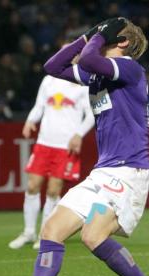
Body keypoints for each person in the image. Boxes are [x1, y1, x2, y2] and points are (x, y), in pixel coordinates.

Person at [0, 17, 149, 276]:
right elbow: (53, 66)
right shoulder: (98, 76)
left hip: (128, 172)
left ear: (122, 42)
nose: (95, 42)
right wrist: (87, 35)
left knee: (92, 235)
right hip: (103, 173)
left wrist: (98, 37)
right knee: (52, 229)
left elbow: (88, 58)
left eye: (106, 38)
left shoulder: (129, 69)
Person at [8, 73, 94, 250]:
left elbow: (91, 115)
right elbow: (39, 106)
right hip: (44, 143)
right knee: (32, 186)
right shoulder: (49, 80)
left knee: (53, 190)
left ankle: (45, 234)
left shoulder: (84, 84)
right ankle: (29, 231)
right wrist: (30, 120)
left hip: (65, 146)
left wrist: (79, 135)